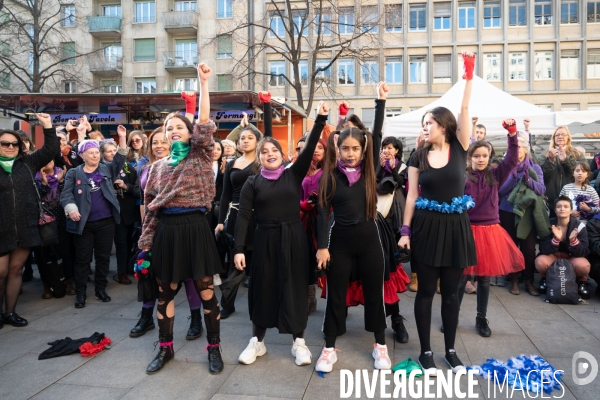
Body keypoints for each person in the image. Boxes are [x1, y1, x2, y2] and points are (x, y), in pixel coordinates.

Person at [138, 63, 225, 375]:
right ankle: (166, 348)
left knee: (205, 293)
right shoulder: (157, 168)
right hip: (167, 232)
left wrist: (203, 84)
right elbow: (150, 209)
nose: (173, 131)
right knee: (164, 294)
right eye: (167, 128)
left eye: (178, 127)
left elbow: (204, 125)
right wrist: (144, 246)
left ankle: (214, 348)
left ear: (189, 134)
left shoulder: (200, 154)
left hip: (196, 228)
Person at [398, 53, 477, 376]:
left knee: (452, 293)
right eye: (423, 124)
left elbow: (465, 110)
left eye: (429, 123)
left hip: (457, 227)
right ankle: (426, 352)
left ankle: (451, 351)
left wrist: (468, 77)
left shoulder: (459, 144)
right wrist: (405, 230)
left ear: (443, 126)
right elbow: (412, 194)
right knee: (426, 291)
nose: (425, 127)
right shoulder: (418, 155)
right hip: (427, 228)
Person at [234, 101, 328, 367]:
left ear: (282, 155)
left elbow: (309, 148)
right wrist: (239, 249)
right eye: (264, 152)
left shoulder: (293, 174)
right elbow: (243, 216)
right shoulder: (253, 182)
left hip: (293, 238)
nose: (269, 153)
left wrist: (320, 119)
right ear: (260, 158)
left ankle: (299, 343)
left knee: (295, 287)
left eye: (274, 150)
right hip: (264, 239)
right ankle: (258, 342)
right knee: (263, 288)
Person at [315, 82, 391, 372]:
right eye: (345, 148)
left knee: (375, 293)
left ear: (363, 149)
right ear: (338, 148)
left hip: (370, 241)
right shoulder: (331, 176)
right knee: (336, 296)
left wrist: (380, 101)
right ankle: (329, 348)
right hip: (340, 243)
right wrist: (322, 247)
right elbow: (323, 212)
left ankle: (380, 346)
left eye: (355, 148)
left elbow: (378, 133)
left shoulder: (370, 170)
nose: (350, 153)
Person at [130, 125, 204, 342]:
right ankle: (146, 316)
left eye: (164, 141)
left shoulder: (178, 166)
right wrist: (146, 230)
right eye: (155, 142)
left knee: (189, 274)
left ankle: (196, 318)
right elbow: (145, 200)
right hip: (152, 226)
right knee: (150, 273)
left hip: (177, 226)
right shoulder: (146, 169)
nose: (159, 145)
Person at [459, 120, 524, 338]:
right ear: (470, 158)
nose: (480, 159)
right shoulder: (464, 177)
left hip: (489, 231)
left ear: (489, 157)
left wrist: (513, 134)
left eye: (484, 156)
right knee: (461, 277)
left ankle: (481, 317)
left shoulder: (495, 175)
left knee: (484, 278)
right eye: (476, 156)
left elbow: (512, 159)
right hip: (467, 230)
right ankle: (453, 315)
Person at [216, 93, 273, 318]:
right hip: (236, 217)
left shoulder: (263, 162)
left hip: (259, 217)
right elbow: (224, 196)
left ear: (258, 142)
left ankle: (261, 305)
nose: (245, 140)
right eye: (242, 138)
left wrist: (266, 106)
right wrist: (220, 222)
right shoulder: (231, 163)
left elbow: (268, 137)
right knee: (234, 263)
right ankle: (227, 303)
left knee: (259, 264)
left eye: (250, 137)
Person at [0, 114, 59, 328]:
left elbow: (50, 150)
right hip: (1, 228)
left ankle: (10, 312)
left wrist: (47, 126)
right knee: (1, 272)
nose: (10, 146)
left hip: (25, 226)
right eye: (5, 143)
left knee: (15, 270)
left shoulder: (27, 163)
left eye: (14, 143)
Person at [61, 133, 121, 309]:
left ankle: (100, 289)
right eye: (91, 152)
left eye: (97, 152)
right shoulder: (74, 173)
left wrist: (122, 139)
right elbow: (65, 195)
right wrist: (71, 208)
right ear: (82, 155)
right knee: (82, 260)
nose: (95, 155)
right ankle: (81, 294)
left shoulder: (106, 169)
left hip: (106, 222)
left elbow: (119, 159)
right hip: (84, 224)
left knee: (103, 258)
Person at [499, 134, 549, 296]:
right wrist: (513, 177)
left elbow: (541, 190)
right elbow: (500, 191)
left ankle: (528, 281)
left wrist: (528, 181)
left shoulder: (535, 168)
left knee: (528, 249)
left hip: (528, 213)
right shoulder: (506, 167)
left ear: (525, 150)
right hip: (508, 210)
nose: (515, 149)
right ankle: (514, 279)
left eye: (518, 147)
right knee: (512, 247)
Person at [101, 127, 140, 285]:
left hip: (128, 210)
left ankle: (125, 268)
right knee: (116, 243)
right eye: (108, 151)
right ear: (102, 153)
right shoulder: (101, 168)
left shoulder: (127, 166)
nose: (111, 153)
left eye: (113, 150)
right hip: (111, 211)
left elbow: (136, 188)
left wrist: (125, 186)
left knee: (128, 241)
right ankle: (118, 272)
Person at [536, 195, 591, 299]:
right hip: (554, 256)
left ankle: (582, 282)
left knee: (583, 266)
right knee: (540, 262)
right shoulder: (548, 224)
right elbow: (543, 248)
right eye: (559, 206)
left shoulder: (579, 226)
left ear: (571, 210)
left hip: (572, 257)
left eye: (566, 206)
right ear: (555, 210)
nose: (562, 209)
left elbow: (584, 251)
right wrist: (555, 240)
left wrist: (574, 241)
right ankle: (544, 278)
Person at [299, 133, 327, 315]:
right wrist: (301, 205)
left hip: (322, 219)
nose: (316, 151)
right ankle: (308, 298)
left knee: (322, 259)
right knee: (305, 259)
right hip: (301, 219)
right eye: (313, 147)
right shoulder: (299, 169)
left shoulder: (330, 170)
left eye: (320, 147)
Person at [34, 160, 68, 299]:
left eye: (51, 159)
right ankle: (46, 285)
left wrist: (59, 182)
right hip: (42, 221)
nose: (48, 162)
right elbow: (37, 197)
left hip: (61, 219)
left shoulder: (61, 173)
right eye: (45, 159)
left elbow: (67, 194)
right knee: (43, 254)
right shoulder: (34, 176)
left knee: (64, 251)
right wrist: (44, 183)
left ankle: (68, 281)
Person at [541, 126, 587, 217]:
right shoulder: (545, 154)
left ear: (568, 138)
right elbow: (540, 175)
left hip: (572, 201)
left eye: (563, 134)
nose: (560, 137)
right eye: (557, 135)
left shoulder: (577, 154)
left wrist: (566, 160)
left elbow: (585, 173)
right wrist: (550, 161)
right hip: (550, 201)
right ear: (553, 138)